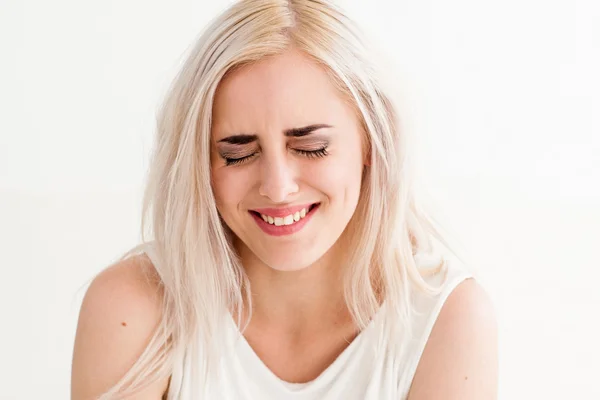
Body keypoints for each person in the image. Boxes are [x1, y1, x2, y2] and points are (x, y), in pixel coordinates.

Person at [71, 0, 498, 398]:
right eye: (237, 154)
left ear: (371, 141)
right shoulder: (135, 307)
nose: (277, 187)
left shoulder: (445, 319)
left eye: (311, 147)